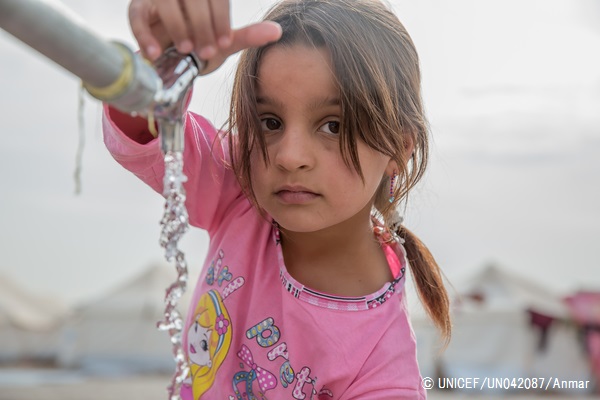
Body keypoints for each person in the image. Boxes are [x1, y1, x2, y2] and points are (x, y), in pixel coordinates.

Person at [104, 0, 451, 398]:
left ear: (399, 148)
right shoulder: (240, 186)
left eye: (333, 126)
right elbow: (147, 131)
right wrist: (160, 67)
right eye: (270, 122)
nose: (289, 156)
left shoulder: (381, 365)